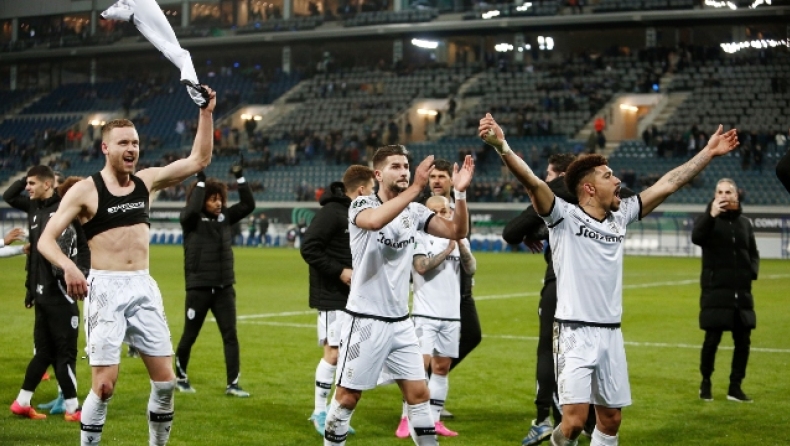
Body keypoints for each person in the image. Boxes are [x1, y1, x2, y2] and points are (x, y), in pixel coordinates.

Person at [478, 113, 738, 446]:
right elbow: (532, 182)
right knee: (573, 422)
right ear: (589, 187)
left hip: (611, 333)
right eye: (608, 176)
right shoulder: (563, 217)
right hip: (574, 332)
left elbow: (669, 183)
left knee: (611, 420)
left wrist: (708, 152)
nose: (617, 181)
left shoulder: (621, 215)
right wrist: (501, 146)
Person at [37, 86, 216, 446]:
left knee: (165, 383)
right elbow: (45, 240)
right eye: (123, 143)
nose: (132, 149)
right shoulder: (85, 190)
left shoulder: (146, 182)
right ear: (105, 148)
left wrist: (206, 112)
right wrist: (69, 267)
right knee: (104, 387)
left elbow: (198, 160)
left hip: (143, 286)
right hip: (105, 289)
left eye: (135, 142)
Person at [322, 145, 474, 446]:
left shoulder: (415, 212)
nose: (404, 171)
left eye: (406, 165)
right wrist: (417, 186)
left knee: (419, 395)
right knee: (348, 397)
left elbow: (458, 230)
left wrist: (460, 194)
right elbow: (375, 222)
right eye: (396, 166)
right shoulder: (361, 204)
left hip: (401, 322)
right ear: (378, 174)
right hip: (364, 320)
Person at [503, 154, 636, 445]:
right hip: (574, 305)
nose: (549, 180)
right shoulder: (564, 210)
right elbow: (517, 226)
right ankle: (561, 421)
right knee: (570, 402)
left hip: (569, 294)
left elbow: (513, 230)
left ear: (565, 176)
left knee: (547, 354)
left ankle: (548, 419)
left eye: (552, 175)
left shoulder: (568, 197)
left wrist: (536, 226)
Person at [5, 167, 88, 423]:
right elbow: (38, 258)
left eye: (32, 183)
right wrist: (30, 289)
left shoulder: (62, 208)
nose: (27, 187)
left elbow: (81, 245)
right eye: (27, 183)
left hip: (48, 292)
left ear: (47, 185)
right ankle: (73, 409)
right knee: (65, 353)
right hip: (56, 294)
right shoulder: (37, 208)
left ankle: (22, 402)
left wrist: (82, 272)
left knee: (45, 353)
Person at [300, 165, 375, 435]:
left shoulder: (356, 213)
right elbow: (309, 248)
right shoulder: (332, 213)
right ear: (362, 190)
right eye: (373, 189)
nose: (375, 194)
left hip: (353, 296)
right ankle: (320, 411)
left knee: (348, 356)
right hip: (332, 294)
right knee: (333, 354)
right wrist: (340, 271)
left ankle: (332, 411)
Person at [394, 195, 476, 438]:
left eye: (445, 211)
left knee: (442, 368)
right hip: (425, 314)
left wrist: (460, 246)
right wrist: (447, 250)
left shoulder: (459, 237)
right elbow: (421, 267)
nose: (441, 215)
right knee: (418, 368)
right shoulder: (419, 237)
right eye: (435, 212)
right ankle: (406, 418)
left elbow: (471, 268)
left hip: (451, 315)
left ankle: (435, 419)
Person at [173, 161, 255, 397]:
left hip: (224, 288)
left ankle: (233, 384)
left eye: (220, 199)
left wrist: (240, 177)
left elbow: (248, 205)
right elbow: (192, 209)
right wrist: (200, 182)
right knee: (190, 335)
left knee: (230, 336)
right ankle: (181, 378)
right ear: (201, 200)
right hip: (198, 288)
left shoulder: (225, 217)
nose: (218, 203)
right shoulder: (190, 219)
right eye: (213, 199)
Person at [424, 158, 483, 420]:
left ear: (451, 179)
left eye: (441, 176)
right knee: (426, 350)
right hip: (433, 290)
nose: (436, 181)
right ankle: (420, 397)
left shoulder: (460, 206)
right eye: (433, 176)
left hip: (461, 289)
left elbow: (464, 241)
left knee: (472, 335)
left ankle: (433, 381)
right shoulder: (422, 209)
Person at [691, 178, 758, 403]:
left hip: (742, 295)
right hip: (716, 293)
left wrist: (751, 273)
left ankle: (735, 387)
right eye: (719, 192)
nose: (724, 195)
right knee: (712, 341)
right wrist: (711, 215)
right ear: (715, 195)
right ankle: (705, 382)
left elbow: (753, 253)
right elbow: (696, 237)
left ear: (736, 195)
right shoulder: (708, 220)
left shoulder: (745, 224)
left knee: (743, 342)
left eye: (728, 192)